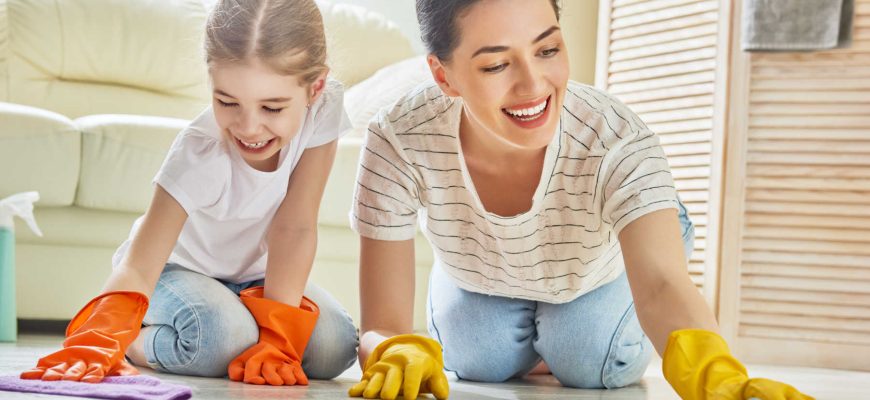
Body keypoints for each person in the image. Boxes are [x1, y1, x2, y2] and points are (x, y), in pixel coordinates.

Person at [348, 0, 812, 399]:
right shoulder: (399, 138)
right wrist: (392, 347)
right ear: (443, 76)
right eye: (496, 65)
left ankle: (560, 335)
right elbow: (383, 321)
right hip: (485, 265)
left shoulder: (616, 139)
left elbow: (660, 284)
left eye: (547, 50)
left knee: (590, 360)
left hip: (603, 258)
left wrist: (718, 377)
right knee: (475, 361)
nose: (533, 86)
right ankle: (540, 328)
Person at [21, 0, 357, 386]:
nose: (248, 127)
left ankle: (243, 323)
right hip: (175, 272)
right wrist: (100, 339)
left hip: (255, 278)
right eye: (226, 102)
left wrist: (278, 339)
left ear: (315, 88)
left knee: (335, 346)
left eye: (272, 108)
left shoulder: (325, 107)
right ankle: (137, 343)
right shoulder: (199, 152)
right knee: (221, 339)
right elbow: (140, 264)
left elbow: (295, 226)